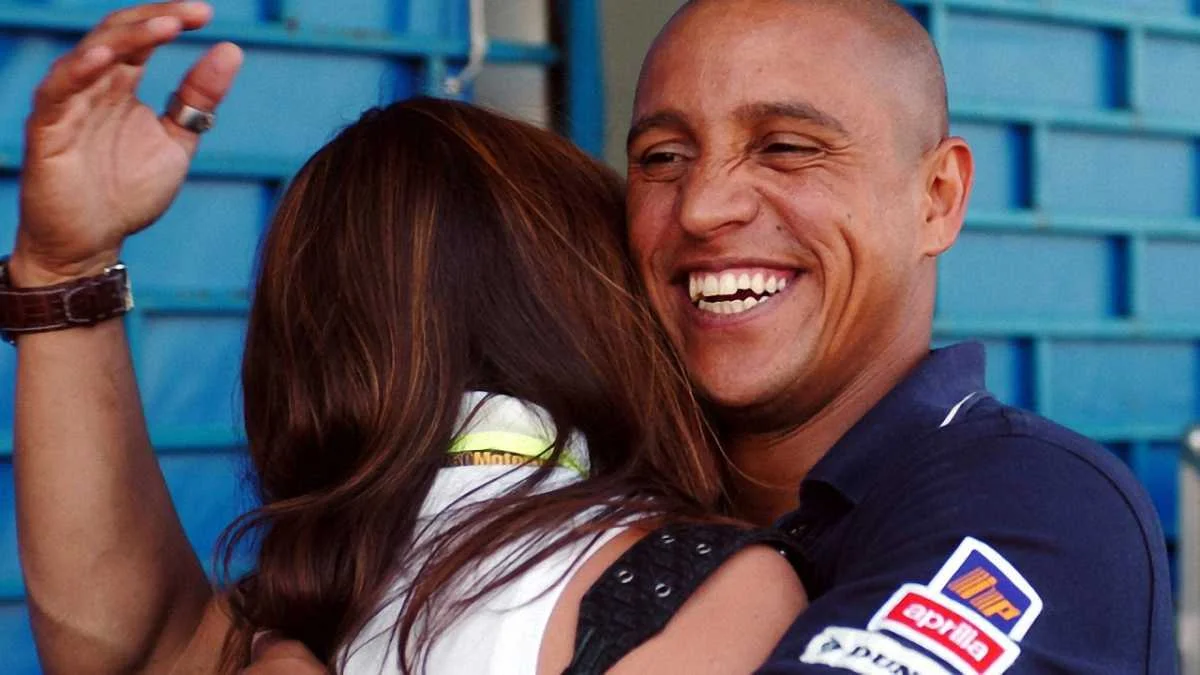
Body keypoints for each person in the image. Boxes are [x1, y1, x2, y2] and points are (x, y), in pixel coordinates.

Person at [5, 3, 805, 674]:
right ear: (604, 306)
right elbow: (137, 639)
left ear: (301, 363)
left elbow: (135, 644)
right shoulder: (711, 595)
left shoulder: (294, 610)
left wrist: (61, 268)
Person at [622, 0, 1177, 673]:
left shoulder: (1043, 503)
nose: (703, 206)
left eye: (786, 148)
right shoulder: (595, 496)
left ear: (938, 197)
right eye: (662, 157)